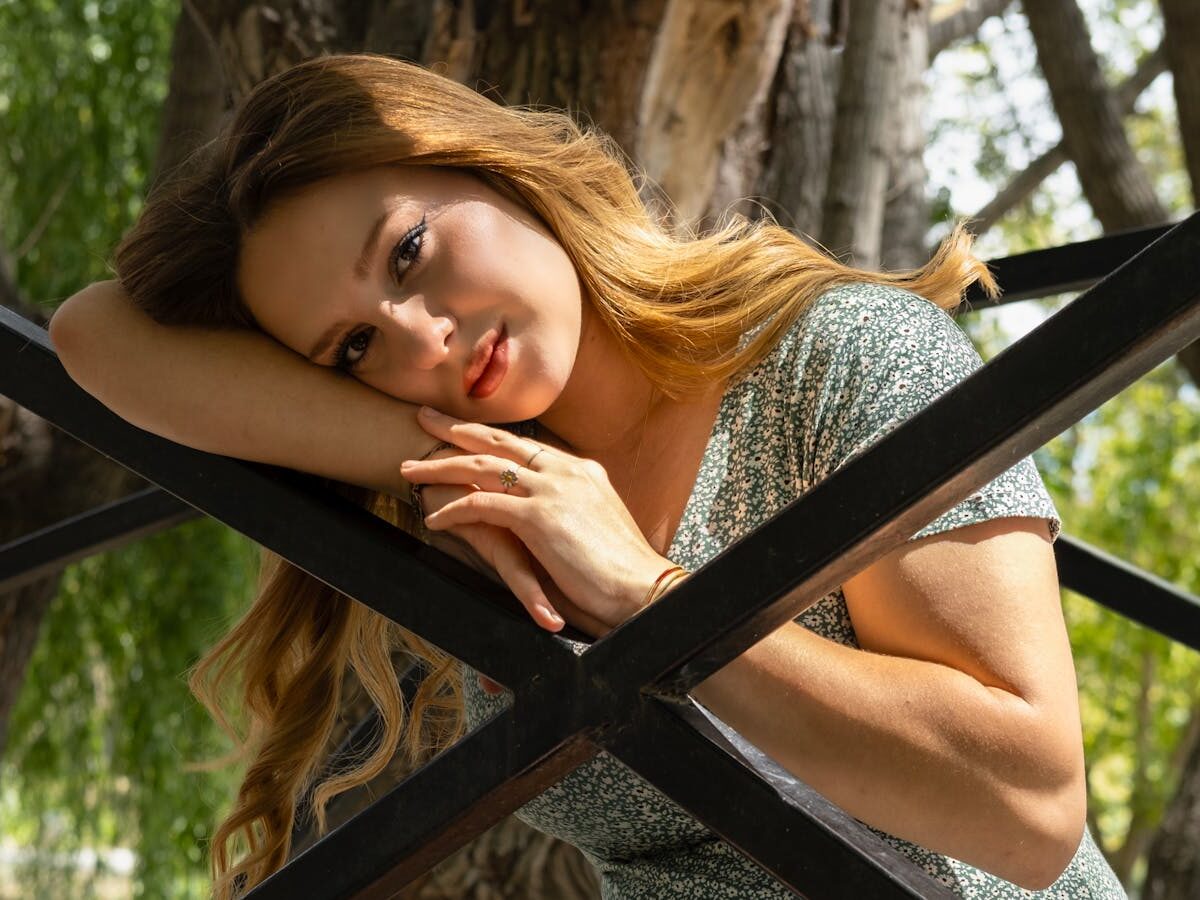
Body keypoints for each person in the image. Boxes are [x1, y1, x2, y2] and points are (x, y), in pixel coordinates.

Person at [51, 54, 1126, 899]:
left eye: (410, 252)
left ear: (489, 164)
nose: (423, 336)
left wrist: (648, 599)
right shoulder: (488, 514)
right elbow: (91, 339)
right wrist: (480, 469)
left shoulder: (836, 357)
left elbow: (1025, 814)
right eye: (354, 350)